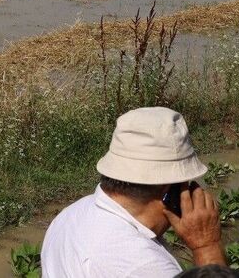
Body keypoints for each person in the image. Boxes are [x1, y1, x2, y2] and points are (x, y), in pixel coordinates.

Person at [40, 106, 227, 277]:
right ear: (171, 193)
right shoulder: (144, 266)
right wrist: (207, 246)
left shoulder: (69, 216)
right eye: (187, 184)